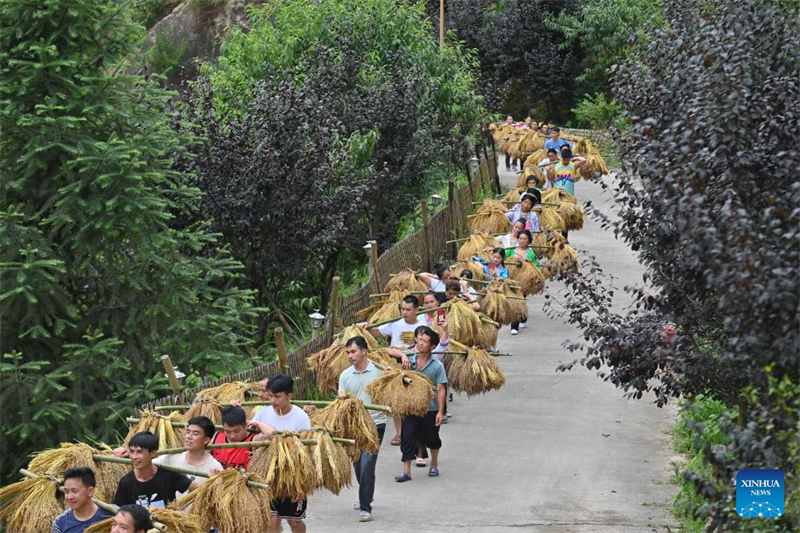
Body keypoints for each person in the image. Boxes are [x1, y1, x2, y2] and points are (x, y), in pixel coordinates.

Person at [357, 295, 424, 446]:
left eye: (408, 309)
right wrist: (365, 327)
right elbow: (377, 332)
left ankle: (414, 433)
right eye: (402, 309)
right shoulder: (394, 324)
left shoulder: (423, 326)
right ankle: (399, 434)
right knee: (396, 401)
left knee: (411, 401)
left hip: (415, 365)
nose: (404, 312)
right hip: (395, 365)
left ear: (416, 310)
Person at [337, 337, 386, 523]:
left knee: (367, 465)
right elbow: (341, 403)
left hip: (375, 425)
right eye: (348, 352)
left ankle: (365, 507)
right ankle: (366, 492)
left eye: (353, 351)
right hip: (354, 428)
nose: (350, 356)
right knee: (358, 465)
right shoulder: (345, 375)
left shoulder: (380, 372)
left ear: (364, 351)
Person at [253, 374, 311, 533]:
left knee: (294, 522)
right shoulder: (263, 413)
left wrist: (301, 485)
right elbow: (253, 440)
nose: (273, 400)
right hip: (268, 475)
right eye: (270, 396)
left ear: (289, 396)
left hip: (293, 477)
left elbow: (305, 455)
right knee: (271, 522)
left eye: (277, 396)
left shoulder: (301, 418)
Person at [391, 327, 447, 482]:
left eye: (424, 341)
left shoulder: (437, 366)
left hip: (430, 408)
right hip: (410, 407)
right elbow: (387, 351)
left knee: (432, 438)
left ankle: (434, 464)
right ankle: (406, 471)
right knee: (407, 437)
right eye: (420, 339)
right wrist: (403, 355)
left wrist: (440, 412)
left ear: (433, 346)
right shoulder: (410, 357)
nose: (420, 343)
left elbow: (441, 389)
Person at [113, 432, 198, 508]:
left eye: (139, 452)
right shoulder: (126, 482)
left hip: (166, 524)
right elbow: (118, 511)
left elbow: (198, 488)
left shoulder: (169, 476)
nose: (134, 457)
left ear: (153, 453)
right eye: (132, 451)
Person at [153, 416, 222, 499]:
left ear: (206, 440)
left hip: (196, 512)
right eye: (188, 432)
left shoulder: (215, 467)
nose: (189, 436)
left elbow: (218, 498)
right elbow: (148, 466)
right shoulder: (171, 458)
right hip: (171, 511)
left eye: (195, 433)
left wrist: (213, 482)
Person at [52, 467, 114, 533]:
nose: (69, 497)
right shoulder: (60, 523)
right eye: (66, 492)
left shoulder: (111, 514)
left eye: (74, 491)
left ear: (90, 491)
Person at [210, 405, 268, 470]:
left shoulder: (253, 441)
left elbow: (270, 433)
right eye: (228, 431)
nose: (232, 436)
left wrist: (257, 423)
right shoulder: (215, 438)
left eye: (236, 431)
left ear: (246, 425)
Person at [505, 229, 539, 335]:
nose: (522, 241)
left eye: (525, 239)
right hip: (512, 280)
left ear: (529, 241)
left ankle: (521, 320)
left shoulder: (531, 253)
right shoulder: (511, 250)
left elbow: (536, 267)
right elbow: (503, 257)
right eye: (520, 238)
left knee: (520, 300)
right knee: (514, 301)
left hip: (524, 282)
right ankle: (515, 325)